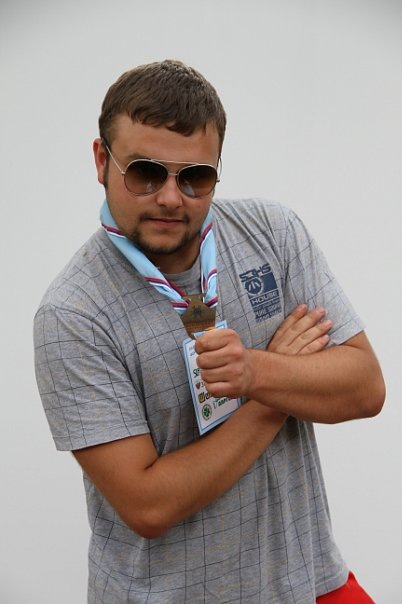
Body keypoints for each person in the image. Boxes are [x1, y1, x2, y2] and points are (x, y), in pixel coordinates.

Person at [34, 59, 385, 603]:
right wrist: (271, 393)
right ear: (102, 160)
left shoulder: (273, 232)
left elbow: (365, 387)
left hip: (312, 582)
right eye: (145, 173)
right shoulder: (73, 314)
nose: (171, 198)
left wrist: (256, 370)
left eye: (194, 177)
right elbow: (148, 505)